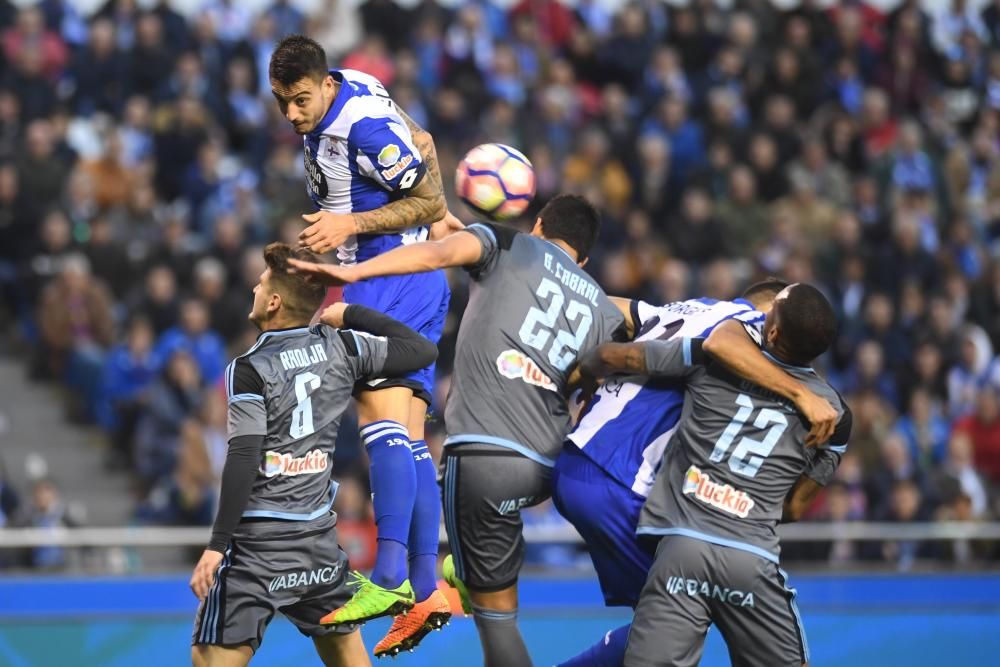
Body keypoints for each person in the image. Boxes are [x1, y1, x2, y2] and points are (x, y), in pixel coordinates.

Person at [290, 194, 627, 665]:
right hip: (546, 466)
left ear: (538, 224)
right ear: (585, 257)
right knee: (482, 558)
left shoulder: (511, 246)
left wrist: (353, 274)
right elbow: (587, 381)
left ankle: (429, 579)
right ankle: (460, 574)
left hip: (483, 455)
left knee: (498, 625)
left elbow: (434, 254)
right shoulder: (601, 306)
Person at [268, 34, 453, 640]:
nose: (292, 115)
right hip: (419, 278)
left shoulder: (359, 127)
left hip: (382, 275)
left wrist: (352, 222)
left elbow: (425, 199)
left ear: (324, 85)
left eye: (299, 101)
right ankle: (427, 589)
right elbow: (421, 142)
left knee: (380, 432)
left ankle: (392, 572)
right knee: (409, 435)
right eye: (281, 103)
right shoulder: (357, 86)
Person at [551, 281, 839, 666]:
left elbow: (607, 316)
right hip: (645, 494)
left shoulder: (696, 315)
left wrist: (579, 371)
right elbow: (795, 507)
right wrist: (801, 395)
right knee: (679, 619)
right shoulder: (823, 403)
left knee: (665, 626)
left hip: (583, 465)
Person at [188, 242, 437, 667]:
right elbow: (421, 351)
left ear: (274, 301)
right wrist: (351, 314)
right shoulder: (341, 347)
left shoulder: (248, 368)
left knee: (206, 659)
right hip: (316, 544)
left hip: (258, 548)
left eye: (261, 282)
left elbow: (244, 456)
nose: (254, 285)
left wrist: (217, 545)